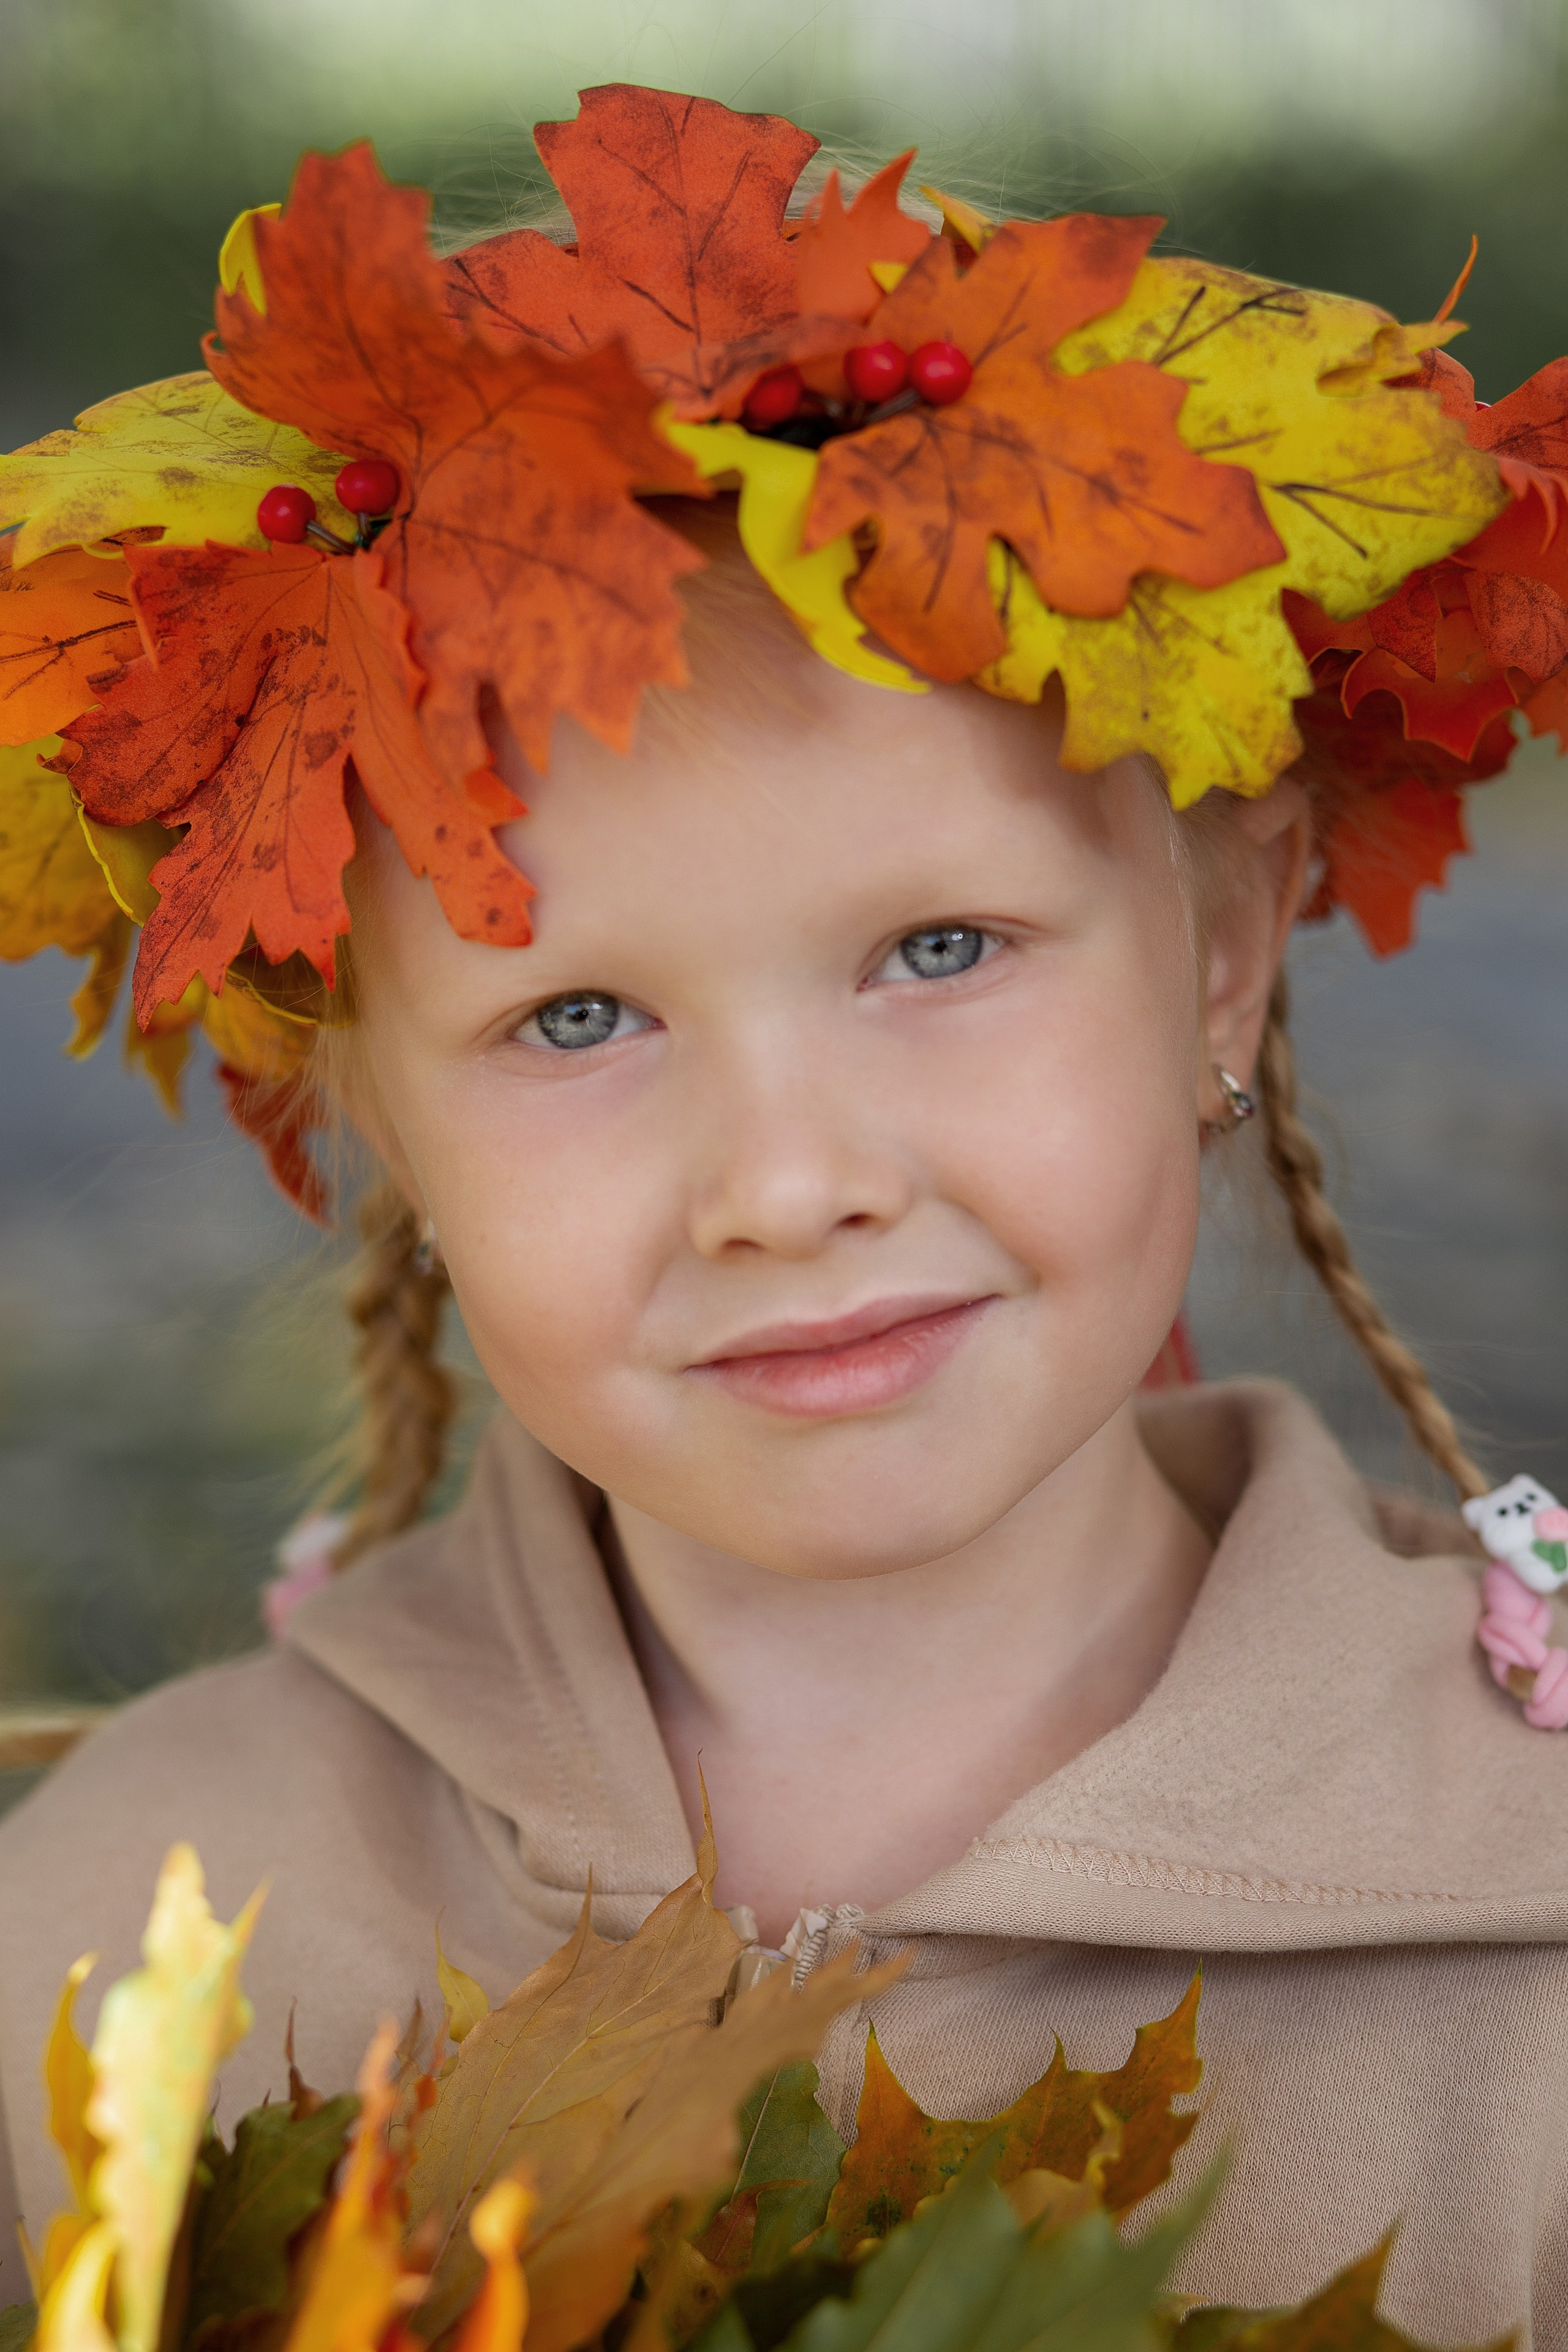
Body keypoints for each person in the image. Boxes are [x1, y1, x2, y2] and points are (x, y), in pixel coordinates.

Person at [1, 81, 1567, 2340]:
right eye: (573, 1023)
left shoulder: (1526, 1943)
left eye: (939, 952)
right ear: (372, 1115)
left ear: (1223, 954)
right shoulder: (150, 1925)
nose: (793, 1184)